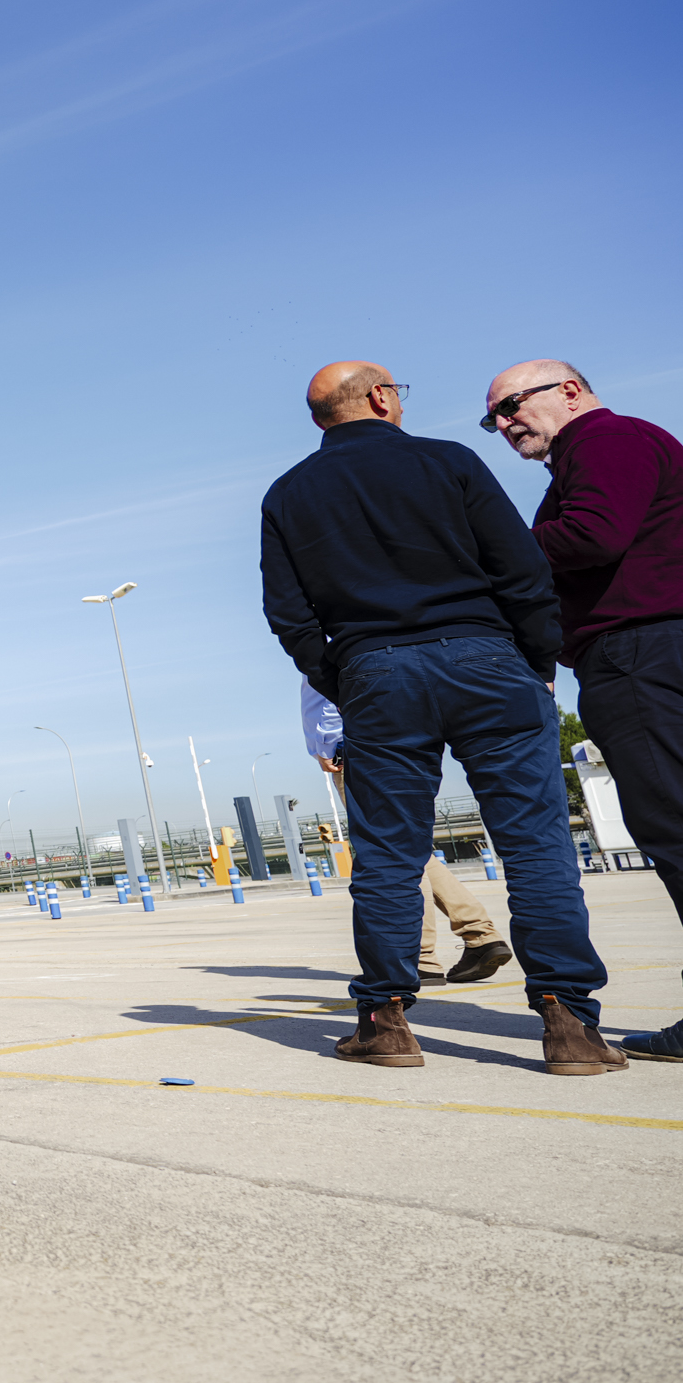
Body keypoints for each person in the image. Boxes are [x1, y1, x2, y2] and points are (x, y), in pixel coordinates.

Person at [260, 362, 623, 1075]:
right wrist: (538, 655)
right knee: (535, 844)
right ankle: (570, 1025)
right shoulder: (448, 461)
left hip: (375, 671)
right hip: (489, 659)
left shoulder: (288, 493)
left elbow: (288, 614)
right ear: (382, 397)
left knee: (390, 853)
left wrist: (343, 676)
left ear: (319, 420)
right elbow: (519, 566)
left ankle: (386, 1020)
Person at [482, 360, 683, 1062]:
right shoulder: (611, 448)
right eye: (493, 417)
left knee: (675, 828)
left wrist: (494, 556)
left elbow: (595, 534)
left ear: (569, 390)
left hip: (640, 657)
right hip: (651, 648)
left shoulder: (602, 441)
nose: (504, 423)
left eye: (511, 405)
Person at [302, 683, 512, 986]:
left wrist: (328, 745)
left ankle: (422, 958)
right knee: (409, 849)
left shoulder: (331, 638)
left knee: (394, 851)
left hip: (357, 749)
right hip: (400, 743)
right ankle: (480, 935)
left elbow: (323, 697)